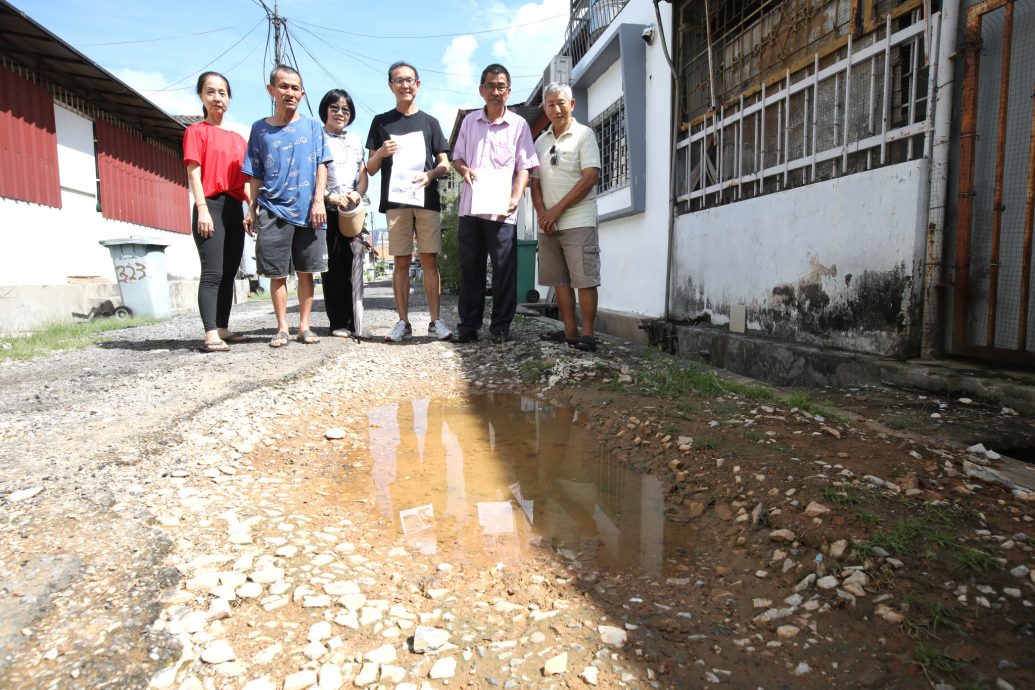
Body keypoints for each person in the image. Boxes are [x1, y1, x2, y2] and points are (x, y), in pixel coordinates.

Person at [242, 65, 331, 348]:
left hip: (308, 210)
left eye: (295, 88)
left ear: (302, 94)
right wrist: (251, 208)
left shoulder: (314, 127)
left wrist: (319, 201)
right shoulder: (259, 129)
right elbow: (255, 173)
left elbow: (322, 166)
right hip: (272, 209)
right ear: (271, 90)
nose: (289, 93)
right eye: (283, 86)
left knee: (307, 270)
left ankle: (304, 326)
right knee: (277, 272)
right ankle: (282, 328)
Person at [365, 61, 453, 343]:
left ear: (418, 84)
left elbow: (446, 163)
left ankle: (435, 321)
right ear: (391, 85)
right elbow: (370, 168)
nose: (405, 85)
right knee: (400, 261)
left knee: (429, 260)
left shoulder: (430, 122)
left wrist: (431, 174)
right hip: (396, 201)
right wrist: (380, 152)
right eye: (398, 80)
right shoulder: (380, 122)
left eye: (410, 80)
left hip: (426, 199)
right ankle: (402, 322)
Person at [451, 64, 538, 343]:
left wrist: (516, 196)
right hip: (471, 208)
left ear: (509, 92)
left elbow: (525, 166)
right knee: (471, 268)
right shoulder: (469, 122)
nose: (496, 91)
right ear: (481, 90)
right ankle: (468, 326)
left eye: (501, 86)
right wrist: (465, 171)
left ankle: (501, 326)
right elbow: (457, 158)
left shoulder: (519, 125)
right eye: (490, 86)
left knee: (504, 269)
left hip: (502, 210)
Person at [530, 82, 602, 352]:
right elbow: (534, 182)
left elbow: (590, 177)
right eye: (551, 104)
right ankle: (569, 332)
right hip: (548, 224)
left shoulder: (584, 135)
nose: (557, 109)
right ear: (545, 108)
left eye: (561, 103)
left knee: (584, 278)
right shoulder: (540, 141)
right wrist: (542, 215)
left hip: (578, 221)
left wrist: (555, 211)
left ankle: (589, 334)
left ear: (572, 105)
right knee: (559, 280)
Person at [183, 71, 251, 353]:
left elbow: (245, 181)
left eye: (222, 93)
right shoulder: (196, 131)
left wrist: (251, 210)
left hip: (234, 208)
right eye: (211, 92)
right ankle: (210, 332)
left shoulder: (238, 139)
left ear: (229, 98)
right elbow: (193, 174)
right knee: (212, 272)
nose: (217, 98)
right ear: (201, 95)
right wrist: (202, 210)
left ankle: (222, 327)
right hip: (209, 205)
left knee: (229, 271)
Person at [318, 88, 369, 339]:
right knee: (332, 268)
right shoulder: (318, 138)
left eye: (345, 109)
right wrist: (330, 197)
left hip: (352, 211)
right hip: (328, 209)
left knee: (353, 266)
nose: (340, 113)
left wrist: (358, 193)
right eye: (335, 108)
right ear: (325, 110)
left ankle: (354, 320)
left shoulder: (355, 140)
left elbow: (363, 175)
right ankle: (337, 320)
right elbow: (315, 176)